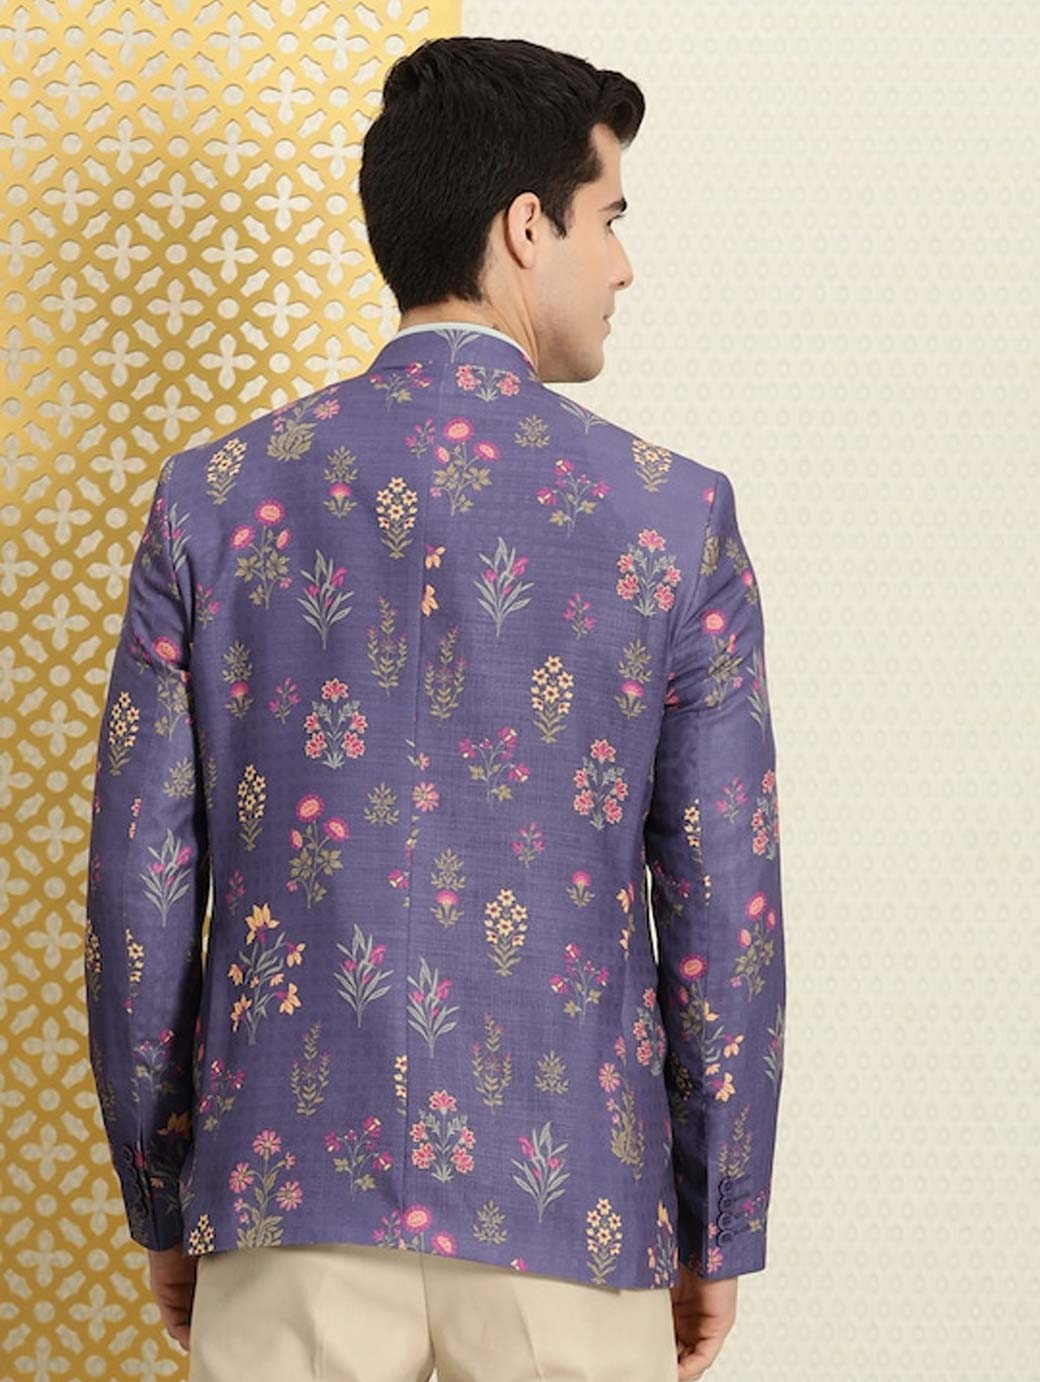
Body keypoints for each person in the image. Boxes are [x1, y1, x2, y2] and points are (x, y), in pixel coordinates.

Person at [83, 34, 786, 1382]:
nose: (623, 265)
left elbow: (138, 891)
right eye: (609, 217)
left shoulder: (211, 500)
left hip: (282, 1202)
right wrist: (718, 1220)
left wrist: (164, 1193)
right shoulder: (671, 518)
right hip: (574, 1212)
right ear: (526, 227)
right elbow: (726, 908)